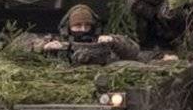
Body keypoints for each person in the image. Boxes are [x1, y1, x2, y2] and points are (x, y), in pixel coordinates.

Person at [12, 5, 140, 65]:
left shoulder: (102, 41)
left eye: (87, 25)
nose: (83, 29)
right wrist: (43, 46)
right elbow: (17, 45)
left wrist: (114, 40)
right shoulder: (56, 41)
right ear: (68, 26)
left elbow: (133, 51)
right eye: (78, 25)